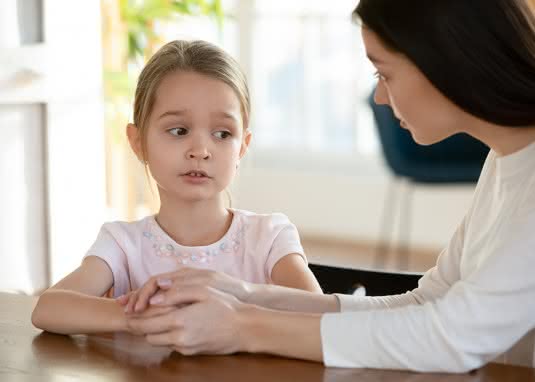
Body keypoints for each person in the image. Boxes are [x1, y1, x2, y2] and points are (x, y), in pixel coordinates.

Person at [119, 0, 535, 373]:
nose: (379, 98)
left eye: (383, 72)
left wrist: (244, 327)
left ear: (445, 62)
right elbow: (427, 303)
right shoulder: (504, 161)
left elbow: (453, 337)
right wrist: (248, 295)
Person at [31, 40, 322, 335]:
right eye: (179, 131)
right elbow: (48, 309)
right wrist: (139, 317)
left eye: (222, 134)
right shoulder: (123, 244)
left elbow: (321, 316)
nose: (200, 150)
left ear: (242, 147)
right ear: (138, 142)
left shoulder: (269, 238)